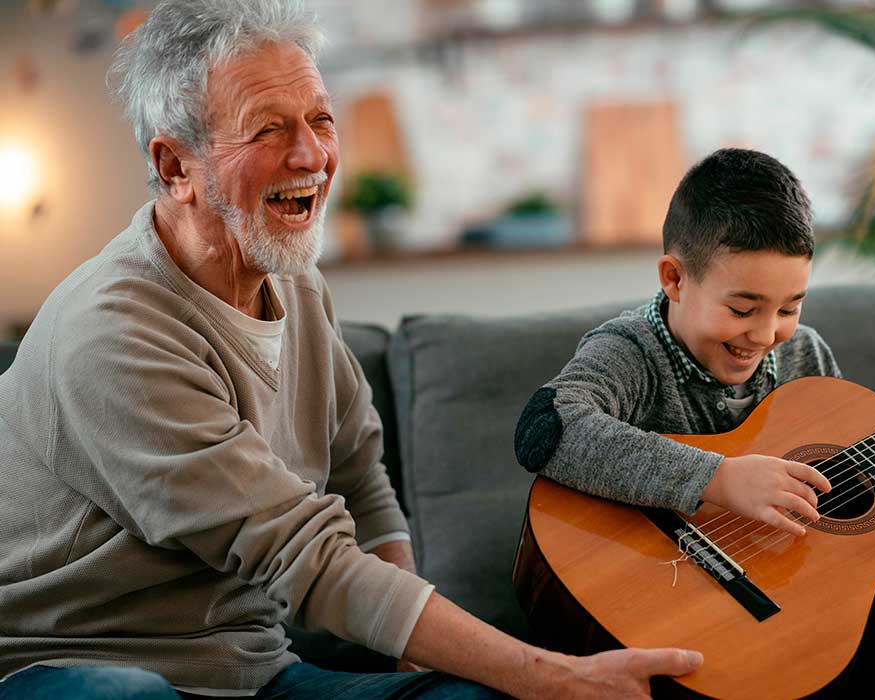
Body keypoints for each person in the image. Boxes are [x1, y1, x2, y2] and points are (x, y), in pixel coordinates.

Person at [0, 2, 703, 699]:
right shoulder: (114, 332)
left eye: (320, 119)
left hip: (253, 672)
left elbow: (360, 476)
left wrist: (415, 658)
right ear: (176, 166)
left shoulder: (297, 284)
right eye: (268, 129)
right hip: (70, 666)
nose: (311, 155)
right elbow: (301, 554)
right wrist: (555, 677)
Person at [513, 147, 875, 698]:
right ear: (675, 279)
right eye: (742, 309)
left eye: (788, 308)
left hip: (802, 629)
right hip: (672, 618)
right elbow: (547, 426)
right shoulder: (631, 353)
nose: (763, 334)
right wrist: (719, 479)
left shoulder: (806, 357)